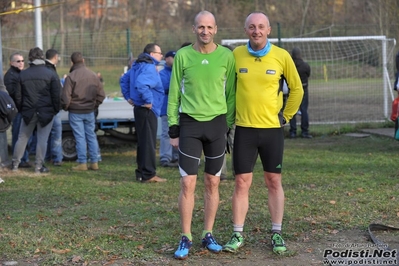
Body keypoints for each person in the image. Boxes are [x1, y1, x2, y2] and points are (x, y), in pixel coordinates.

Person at [222, 12, 303, 254]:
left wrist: (285, 117)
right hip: (244, 130)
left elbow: (297, 89)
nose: (256, 31)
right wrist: (227, 121)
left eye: (260, 27)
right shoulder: (236, 55)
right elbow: (228, 90)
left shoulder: (281, 56)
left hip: (272, 131)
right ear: (246, 30)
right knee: (241, 182)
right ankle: (237, 234)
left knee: (273, 181)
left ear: (268, 30)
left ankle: (276, 233)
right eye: (251, 27)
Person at [168, 11, 236, 260]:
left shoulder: (226, 56)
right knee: (187, 183)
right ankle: (186, 236)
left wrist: (227, 125)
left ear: (216, 29)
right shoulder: (183, 56)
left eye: (209, 27)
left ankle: (208, 233)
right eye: (200, 27)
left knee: (213, 182)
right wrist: (173, 127)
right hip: (190, 125)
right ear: (194, 29)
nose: (205, 31)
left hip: (217, 125)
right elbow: (174, 92)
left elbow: (231, 93)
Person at [120, 43, 166, 183]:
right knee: (149, 143)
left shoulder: (137, 65)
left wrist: (128, 96)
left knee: (143, 142)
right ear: (152, 54)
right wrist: (148, 100)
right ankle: (149, 174)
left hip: (139, 108)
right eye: (159, 53)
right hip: (147, 109)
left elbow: (124, 79)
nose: (161, 55)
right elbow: (141, 84)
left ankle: (141, 172)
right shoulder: (149, 67)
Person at [12, 47, 62, 173]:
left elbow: (18, 96)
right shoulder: (51, 74)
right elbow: (57, 96)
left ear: (30, 58)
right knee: (42, 140)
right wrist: (55, 110)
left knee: (22, 138)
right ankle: (38, 166)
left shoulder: (23, 74)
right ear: (41, 57)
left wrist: (22, 109)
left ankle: (15, 165)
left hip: (28, 111)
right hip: (46, 112)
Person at [61, 52, 105, 171]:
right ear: (83, 60)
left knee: (80, 137)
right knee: (91, 136)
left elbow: (65, 97)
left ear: (72, 62)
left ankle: (82, 163)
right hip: (90, 111)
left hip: (75, 112)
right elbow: (101, 95)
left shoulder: (71, 76)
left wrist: (67, 107)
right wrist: (94, 105)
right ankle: (94, 162)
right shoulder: (93, 75)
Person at [4, 52, 32, 168]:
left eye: (22, 61)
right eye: (18, 61)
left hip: (21, 109)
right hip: (17, 110)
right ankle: (20, 160)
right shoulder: (11, 76)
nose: (21, 63)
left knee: (22, 135)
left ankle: (23, 158)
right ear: (11, 63)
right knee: (18, 135)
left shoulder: (19, 74)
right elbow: (14, 95)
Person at [159, 50, 178, 168]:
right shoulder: (162, 74)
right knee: (166, 133)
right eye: (172, 57)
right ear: (166, 59)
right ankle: (165, 157)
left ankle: (176, 156)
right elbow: (165, 87)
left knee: (177, 133)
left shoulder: (178, 70)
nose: (174, 59)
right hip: (166, 108)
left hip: (178, 109)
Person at [44, 49, 63, 165]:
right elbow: (56, 92)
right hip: (53, 108)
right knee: (56, 134)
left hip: (44, 107)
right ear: (55, 57)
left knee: (46, 134)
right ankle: (57, 158)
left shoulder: (44, 69)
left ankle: (47, 156)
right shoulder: (52, 71)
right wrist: (58, 107)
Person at [289, 47, 312, 138]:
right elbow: (308, 74)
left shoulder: (291, 66)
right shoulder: (305, 65)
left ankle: (293, 132)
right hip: (304, 89)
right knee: (304, 110)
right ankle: (304, 131)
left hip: (293, 90)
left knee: (292, 111)